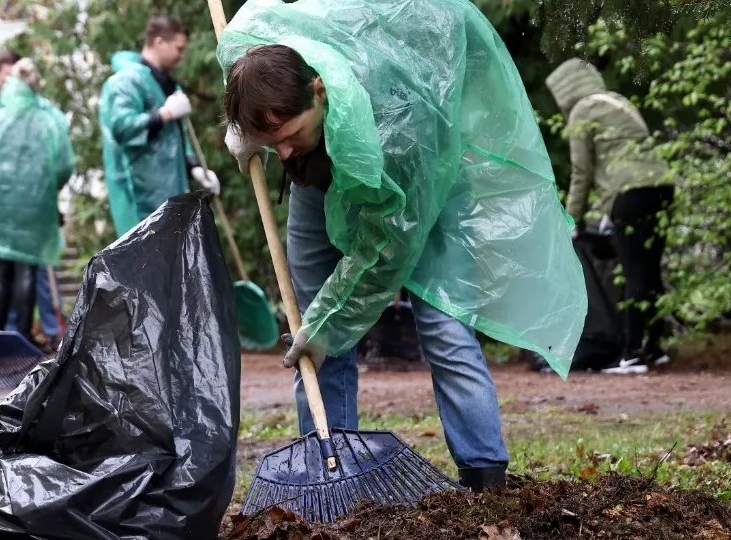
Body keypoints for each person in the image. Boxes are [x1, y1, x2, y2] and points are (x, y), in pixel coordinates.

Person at [219, 0, 586, 491]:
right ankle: (332, 476)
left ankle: (484, 478)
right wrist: (245, 126)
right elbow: (238, 55)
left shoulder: (400, 128)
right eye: (272, 142)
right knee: (313, 339)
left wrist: (332, 319)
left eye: (289, 135)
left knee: (443, 324)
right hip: (317, 189)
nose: (281, 151)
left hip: (419, 186)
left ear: (319, 90)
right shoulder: (271, 53)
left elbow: (385, 248)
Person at [546, 58, 674, 374]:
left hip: (629, 193)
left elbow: (582, 172)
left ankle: (631, 355)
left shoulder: (581, 112)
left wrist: (571, 221)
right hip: (662, 186)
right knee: (650, 271)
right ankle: (655, 347)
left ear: (563, 91)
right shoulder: (618, 102)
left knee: (633, 273)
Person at [0, 59, 74, 347]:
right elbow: (64, 166)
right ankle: (22, 341)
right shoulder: (49, 122)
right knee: (27, 271)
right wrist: (49, 189)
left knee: (2, 273)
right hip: (36, 208)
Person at [99, 15, 220, 237]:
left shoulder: (163, 82)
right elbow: (122, 128)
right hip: (141, 197)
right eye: (179, 49)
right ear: (159, 42)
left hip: (168, 194)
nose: (182, 56)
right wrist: (165, 113)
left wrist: (193, 167)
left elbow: (173, 137)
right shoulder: (127, 81)